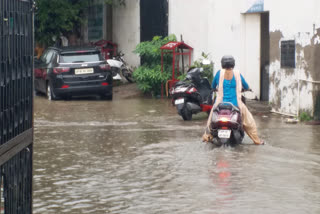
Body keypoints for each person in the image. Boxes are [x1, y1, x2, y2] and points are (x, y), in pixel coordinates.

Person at [202, 55, 264, 145]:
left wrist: (216, 88)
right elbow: (246, 86)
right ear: (233, 64)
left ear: (222, 64)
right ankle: (257, 140)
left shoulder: (219, 73)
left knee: (210, 121)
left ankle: (207, 137)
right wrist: (247, 88)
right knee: (249, 122)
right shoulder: (237, 74)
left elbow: (212, 86)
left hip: (220, 103)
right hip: (236, 104)